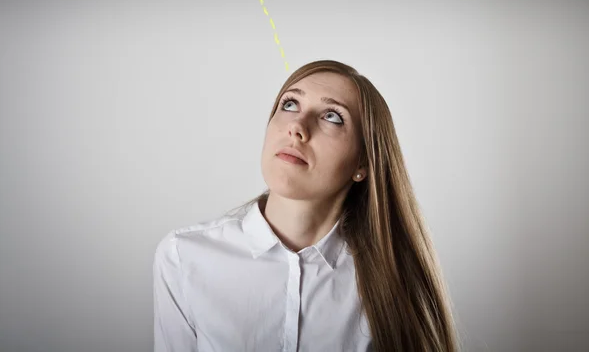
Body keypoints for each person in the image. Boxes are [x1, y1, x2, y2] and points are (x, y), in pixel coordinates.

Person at [153, 59, 461, 351]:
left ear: (363, 162)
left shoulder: (394, 279)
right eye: (290, 104)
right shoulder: (183, 257)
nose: (297, 127)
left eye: (332, 116)